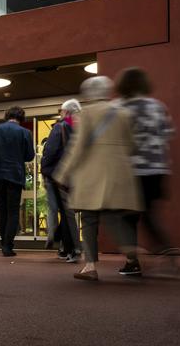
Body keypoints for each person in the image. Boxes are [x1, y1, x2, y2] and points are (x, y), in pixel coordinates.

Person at [54, 76, 143, 281]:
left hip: (93, 174)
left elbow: (77, 147)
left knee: (89, 219)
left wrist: (62, 172)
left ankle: (90, 266)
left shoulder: (87, 114)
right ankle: (131, 254)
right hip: (121, 174)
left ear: (89, 93)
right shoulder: (123, 113)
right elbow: (133, 145)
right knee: (118, 217)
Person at [114, 67, 178, 276]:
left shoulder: (120, 107)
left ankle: (133, 261)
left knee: (126, 217)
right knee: (149, 213)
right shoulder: (157, 107)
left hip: (132, 169)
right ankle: (167, 249)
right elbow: (169, 133)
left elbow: (117, 139)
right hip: (158, 168)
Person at [0, 107, 35, 257]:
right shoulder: (24, 132)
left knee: (2, 209)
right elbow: (29, 156)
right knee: (13, 211)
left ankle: (3, 243)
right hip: (15, 175)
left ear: (7, 116)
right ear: (21, 118)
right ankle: (8, 246)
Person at [41, 99, 82, 263]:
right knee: (68, 213)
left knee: (66, 213)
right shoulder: (80, 129)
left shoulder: (60, 127)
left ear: (65, 112)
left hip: (58, 176)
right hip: (75, 176)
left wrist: (44, 172)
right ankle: (65, 248)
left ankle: (73, 248)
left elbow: (49, 152)